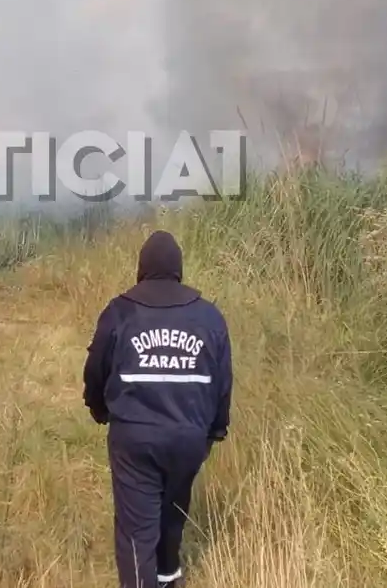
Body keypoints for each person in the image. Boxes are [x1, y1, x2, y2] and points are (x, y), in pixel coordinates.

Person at [82, 229, 233, 588]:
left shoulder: (120, 311)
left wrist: (99, 409)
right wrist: (215, 430)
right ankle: (168, 577)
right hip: (189, 438)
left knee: (136, 533)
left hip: (134, 439)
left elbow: (95, 370)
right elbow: (222, 382)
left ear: (141, 269)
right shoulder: (210, 317)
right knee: (172, 513)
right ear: (179, 269)